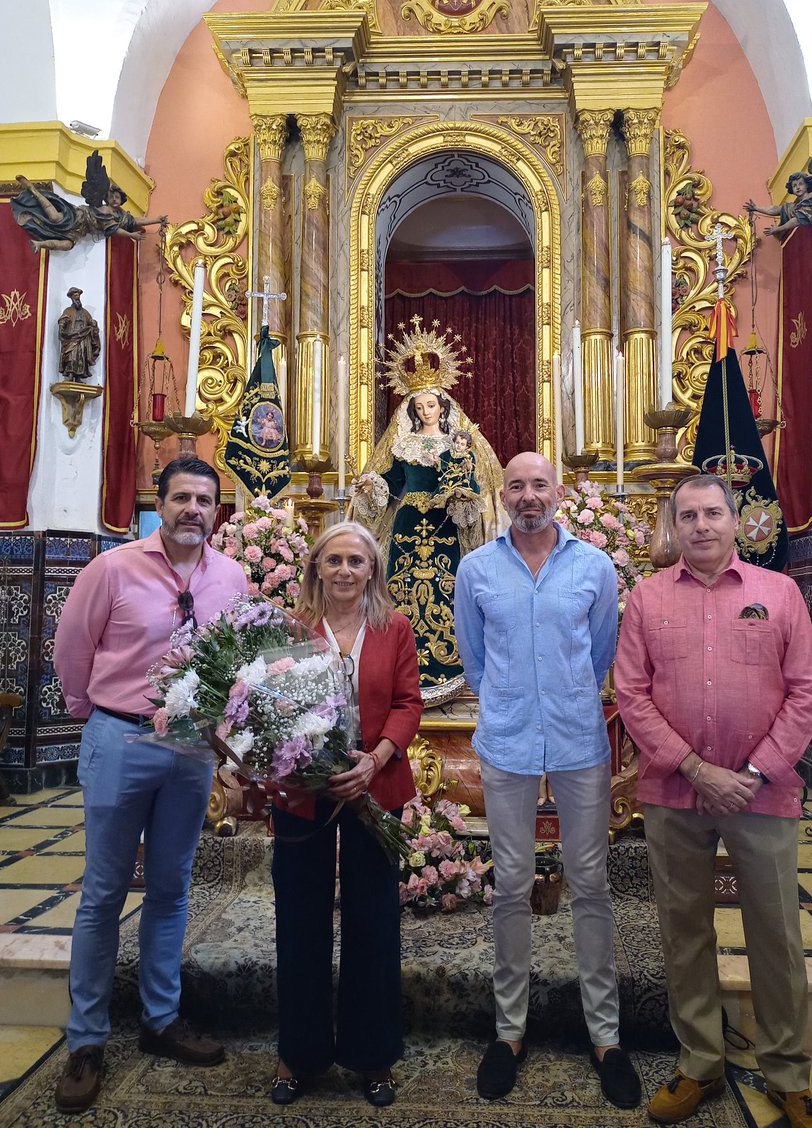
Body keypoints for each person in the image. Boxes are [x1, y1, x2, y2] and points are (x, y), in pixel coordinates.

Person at [615, 474, 812, 1128]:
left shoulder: (779, 593)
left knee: (776, 934)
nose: (701, 525)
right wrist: (696, 768)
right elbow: (632, 695)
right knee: (684, 932)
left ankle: (787, 1074)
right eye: (688, 516)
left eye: (713, 513)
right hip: (674, 791)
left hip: (762, 794)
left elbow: (807, 692)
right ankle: (700, 1063)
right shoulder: (647, 598)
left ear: (736, 521)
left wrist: (755, 772)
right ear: (674, 527)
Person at [52, 457, 248, 1114]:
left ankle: (161, 1019)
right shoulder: (112, 568)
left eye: (205, 500)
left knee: (170, 887)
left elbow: (237, 663)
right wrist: (97, 717)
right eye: (182, 497)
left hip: (190, 749)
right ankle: (86, 1040)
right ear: (159, 505)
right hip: (121, 737)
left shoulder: (232, 577)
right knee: (103, 893)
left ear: (217, 511)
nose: (194, 509)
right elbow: (71, 648)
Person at [454, 452, 641, 1110]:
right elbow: (474, 658)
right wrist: (509, 702)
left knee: (589, 882)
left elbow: (601, 651)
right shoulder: (477, 569)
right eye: (517, 486)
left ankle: (606, 1037)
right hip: (507, 741)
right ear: (502, 494)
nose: (528, 495)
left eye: (539, 484)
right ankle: (509, 1032)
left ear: (557, 492)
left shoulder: (594, 566)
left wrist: (560, 697)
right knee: (510, 884)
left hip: (576, 739)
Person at [269, 522, 423, 1109]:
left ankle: (372, 1053)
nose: (344, 571)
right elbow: (271, 706)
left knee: (373, 920)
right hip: (303, 790)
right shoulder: (291, 628)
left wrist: (375, 759)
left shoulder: (394, 627)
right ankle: (298, 1053)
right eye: (333, 560)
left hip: (374, 786)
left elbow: (408, 703)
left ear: (372, 569)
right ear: (316, 567)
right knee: (300, 919)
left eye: (356, 561)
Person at [351, 373, 503, 703]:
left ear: (442, 408)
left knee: (447, 585)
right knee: (400, 586)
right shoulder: (404, 444)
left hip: (444, 521)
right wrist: (372, 484)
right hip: (407, 523)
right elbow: (392, 482)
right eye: (419, 407)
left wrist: (461, 494)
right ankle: (398, 663)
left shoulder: (458, 445)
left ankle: (451, 661)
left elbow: (469, 480)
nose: (425, 412)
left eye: (431, 405)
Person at [12, 169, 165, 253]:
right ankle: (32, 189)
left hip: (81, 230)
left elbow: (136, 220)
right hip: (79, 216)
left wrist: (156, 220)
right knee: (55, 218)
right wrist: (130, 235)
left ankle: (39, 244)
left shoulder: (122, 217)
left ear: (121, 201)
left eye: (117, 198)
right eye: (112, 196)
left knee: (67, 245)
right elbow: (115, 230)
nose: (114, 199)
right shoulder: (105, 209)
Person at [58, 287, 101, 381]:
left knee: (81, 356)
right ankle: (70, 374)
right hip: (72, 336)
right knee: (71, 355)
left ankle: (78, 376)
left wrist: (94, 325)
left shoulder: (85, 312)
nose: (77, 298)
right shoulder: (68, 310)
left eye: (78, 296)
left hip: (83, 338)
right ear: (72, 297)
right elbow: (63, 320)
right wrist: (62, 327)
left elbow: (91, 323)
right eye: (75, 296)